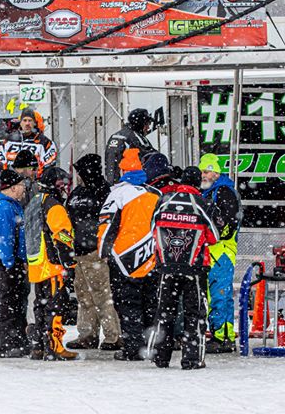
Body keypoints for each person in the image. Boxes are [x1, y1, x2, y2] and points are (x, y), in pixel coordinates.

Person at [146, 166, 219, 370]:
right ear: (197, 183)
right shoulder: (203, 203)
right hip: (194, 269)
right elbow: (214, 237)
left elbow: (152, 229)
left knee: (164, 313)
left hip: (166, 267)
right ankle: (192, 359)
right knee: (194, 314)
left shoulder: (164, 200)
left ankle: (160, 357)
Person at [97, 148, 160, 361]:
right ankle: (152, 346)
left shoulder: (117, 194)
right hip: (152, 257)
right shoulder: (155, 194)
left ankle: (133, 348)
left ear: (122, 170)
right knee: (152, 304)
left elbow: (106, 226)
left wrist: (103, 252)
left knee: (128, 305)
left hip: (124, 258)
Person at [65, 153, 121, 351]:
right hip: (78, 251)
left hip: (96, 251)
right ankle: (87, 334)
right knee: (84, 296)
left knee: (102, 295)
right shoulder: (77, 192)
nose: (78, 175)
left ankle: (113, 336)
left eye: (80, 171)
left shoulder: (104, 191)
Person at [25, 167, 78, 360]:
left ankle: (38, 345)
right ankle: (54, 346)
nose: (64, 187)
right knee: (55, 306)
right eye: (61, 183)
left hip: (36, 263)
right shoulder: (54, 205)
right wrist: (70, 263)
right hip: (52, 264)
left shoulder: (34, 201)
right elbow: (63, 236)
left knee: (40, 305)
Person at [199, 153, 242, 354]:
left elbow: (229, 223)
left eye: (206, 171)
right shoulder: (213, 191)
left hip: (221, 250)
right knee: (215, 294)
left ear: (216, 173)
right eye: (201, 172)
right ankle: (221, 334)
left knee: (220, 295)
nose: (203, 175)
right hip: (214, 250)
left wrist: (214, 236)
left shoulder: (223, 191)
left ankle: (223, 337)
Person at [0, 169, 29, 358]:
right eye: (21, 186)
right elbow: (3, 239)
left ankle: (15, 340)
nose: (24, 189)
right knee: (5, 303)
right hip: (4, 262)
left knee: (14, 302)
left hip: (10, 260)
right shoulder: (4, 207)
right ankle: (4, 343)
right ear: (12, 188)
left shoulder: (10, 205)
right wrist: (9, 263)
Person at [0, 109, 57, 175]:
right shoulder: (10, 139)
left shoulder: (44, 142)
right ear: (20, 123)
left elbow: (49, 162)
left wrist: (36, 173)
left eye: (30, 120)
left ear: (34, 123)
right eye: (25, 120)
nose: (27, 123)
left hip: (33, 180)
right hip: (10, 179)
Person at [104, 108, 157, 184]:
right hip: (131, 182)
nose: (148, 128)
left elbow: (110, 161)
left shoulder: (116, 136)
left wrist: (112, 183)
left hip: (114, 183)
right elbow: (151, 156)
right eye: (147, 124)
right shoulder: (134, 137)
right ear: (141, 124)